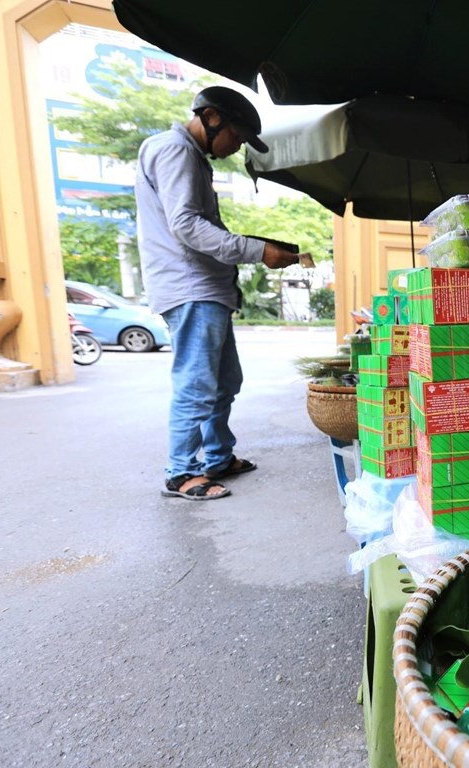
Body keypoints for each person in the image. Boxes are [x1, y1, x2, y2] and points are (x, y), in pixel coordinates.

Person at [136, 85, 307, 501]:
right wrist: (257, 250)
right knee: (197, 384)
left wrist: (259, 245)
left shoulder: (189, 156)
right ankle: (182, 472)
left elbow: (197, 225)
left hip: (206, 287)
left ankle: (217, 457)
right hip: (191, 288)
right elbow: (188, 227)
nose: (237, 146)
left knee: (226, 380)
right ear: (211, 118)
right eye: (237, 135)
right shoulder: (175, 151)